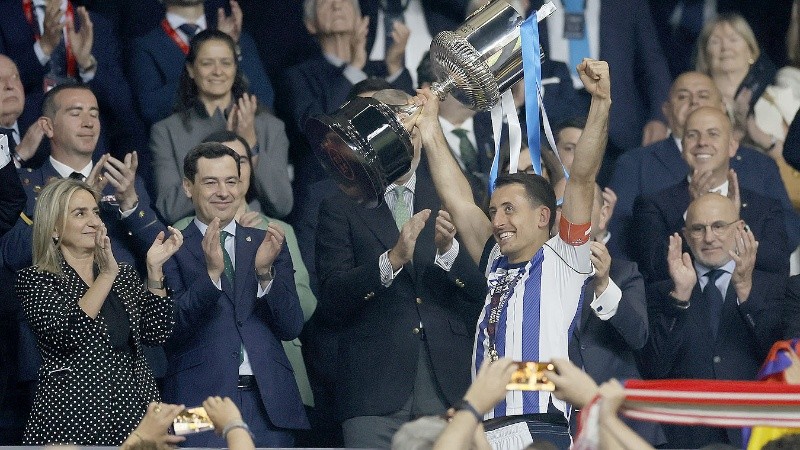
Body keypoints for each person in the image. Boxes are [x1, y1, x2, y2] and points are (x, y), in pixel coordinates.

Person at [417, 58, 610, 448]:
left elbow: (584, 175)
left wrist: (601, 102)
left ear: (543, 216)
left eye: (509, 210)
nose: (498, 220)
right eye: (494, 211)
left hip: (540, 425)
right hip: (483, 428)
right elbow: (458, 198)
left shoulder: (565, 257)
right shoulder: (494, 259)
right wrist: (429, 126)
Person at [314, 87, 486, 446]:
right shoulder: (339, 206)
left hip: (448, 387)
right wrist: (390, 261)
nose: (405, 140)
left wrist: (448, 254)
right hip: (373, 392)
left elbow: (485, 291)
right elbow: (331, 299)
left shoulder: (452, 195)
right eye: (395, 131)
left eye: (411, 129)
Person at [0, 82, 166, 444]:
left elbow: (156, 328)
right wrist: (55, 205)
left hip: (134, 397)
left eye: (94, 113)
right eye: (75, 112)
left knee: (201, 427)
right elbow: (11, 254)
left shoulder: (124, 183)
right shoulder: (27, 185)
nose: (89, 121)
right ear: (47, 125)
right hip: (71, 400)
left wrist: (130, 206)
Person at [14, 178, 182, 445]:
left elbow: (156, 332)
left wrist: (154, 272)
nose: (94, 221)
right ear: (54, 228)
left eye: (95, 212)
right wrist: (106, 274)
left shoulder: (124, 274)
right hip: (73, 421)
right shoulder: (37, 280)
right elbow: (68, 333)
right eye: (80, 213)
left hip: (135, 415)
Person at [160, 143, 307, 447]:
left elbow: (291, 326)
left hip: (270, 405)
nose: (223, 192)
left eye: (231, 181)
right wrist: (211, 276)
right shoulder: (170, 246)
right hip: (198, 405)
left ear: (242, 185)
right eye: (211, 182)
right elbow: (168, 329)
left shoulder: (267, 242)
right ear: (188, 187)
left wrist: (265, 274)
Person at [639, 193, 788, 448]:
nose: (709, 238)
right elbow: (655, 367)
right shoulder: (662, 292)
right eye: (699, 229)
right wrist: (680, 297)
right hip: (684, 436)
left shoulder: (774, 287)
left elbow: (782, 360)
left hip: (756, 432)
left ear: (740, 228)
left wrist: (745, 292)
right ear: (686, 236)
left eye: (719, 226)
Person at [608, 71, 800, 262]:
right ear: (666, 110)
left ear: (723, 107)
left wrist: (735, 233)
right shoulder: (634, 164)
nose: (694, 102)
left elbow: (788, 233)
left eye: (703, 95)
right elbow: (621, 240)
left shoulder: (760, 165)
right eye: (683, 96)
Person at [632, 106, 792, 282]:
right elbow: (654, 269)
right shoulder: (653, 205)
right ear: (683, 146)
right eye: (692, 135)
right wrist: (691, 213)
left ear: (732, 146)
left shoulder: (765, 207)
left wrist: (736, 224)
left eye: (713, 134)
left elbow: (778, 269)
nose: (702, 142)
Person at [150, 29, 292, 224]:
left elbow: (282, 204)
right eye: (207, 63)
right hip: (196, 241)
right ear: (191, 69)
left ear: (236, 68)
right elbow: (169, 208)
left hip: (259, 235)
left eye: (226, 63)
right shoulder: (166, 131)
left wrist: (251, 144)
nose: (218, 71)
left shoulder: (269, 126)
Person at [0, 0, 148, 167]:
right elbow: (6, 82)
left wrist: (87, 66)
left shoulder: (94, 23)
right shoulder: (6, 15)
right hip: (31, 142)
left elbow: (121, 103)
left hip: (89, 149)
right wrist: (43, 49)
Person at [129, 0, 274, 127]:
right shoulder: (145, 46)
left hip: (240, 145)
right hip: (183, 148)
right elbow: (151, 110)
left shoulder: (236, 38)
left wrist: (229, 48)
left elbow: (264, 99)